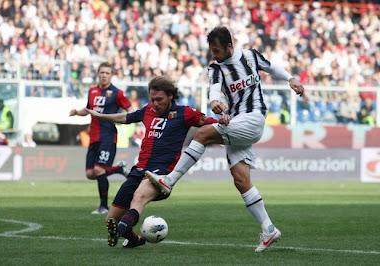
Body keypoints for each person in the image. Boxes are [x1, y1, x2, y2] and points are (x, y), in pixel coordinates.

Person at [146, 26, 305, 252]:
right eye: (212, 51)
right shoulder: (216, 69)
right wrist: (215, 104)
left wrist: (291, 78)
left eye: (217, 50)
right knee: (240, 179)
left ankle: (169, 180)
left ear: (229, 46)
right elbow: (214, 92)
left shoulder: (250, 56)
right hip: (236, 121)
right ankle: (269, 229)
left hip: (254, 117)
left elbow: (272, 67)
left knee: (202, 134)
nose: (214, 55)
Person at [85, 76, 219, 248]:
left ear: (171, 96)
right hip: (138, 170)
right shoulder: (147, 110)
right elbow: (126, 117)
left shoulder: (185, 113)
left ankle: (122, 228)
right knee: (111, 218)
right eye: (152, 99)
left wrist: (225, 122)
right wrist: (101, 116)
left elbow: (209, 122)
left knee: (138, 198)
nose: (155, 103)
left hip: (161, 174)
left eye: (159, 99)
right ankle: (134, 239)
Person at [69, 62, 132, 215]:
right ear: (98, 74)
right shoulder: (92, 91)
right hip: (94, 137)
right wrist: (77, 112)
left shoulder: (117, 93)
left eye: (107, 73)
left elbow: (130, 109)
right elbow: (88, 109)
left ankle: (103, 207)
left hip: (108, 136)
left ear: (111, 75)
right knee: (90, 173)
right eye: (102, 72)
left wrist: (125, 118)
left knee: (99, 169)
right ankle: (119, 169)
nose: (104, 75)